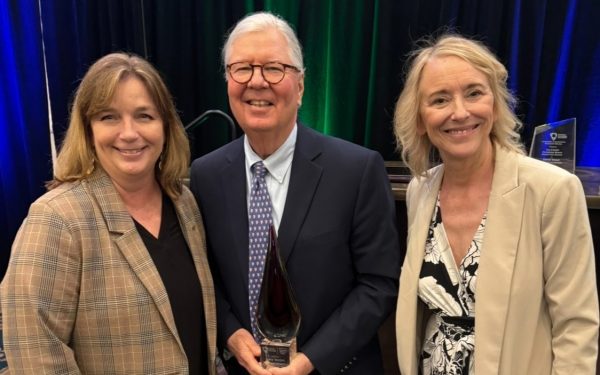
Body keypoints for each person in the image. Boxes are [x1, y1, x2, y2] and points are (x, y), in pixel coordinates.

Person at [189, 11, 400, 375]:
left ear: (300, 87)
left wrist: (310, 361)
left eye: (274, 68)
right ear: (227, 82)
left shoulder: (357, 170)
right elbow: (204, 275)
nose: (257, 82)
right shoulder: (205, 175)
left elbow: (378, 284)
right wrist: (230, 332)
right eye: (242, 68)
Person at [393, 34, 599, 374]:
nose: (460, 112)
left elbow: (576, 327)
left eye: (474, 93)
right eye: (440, 99)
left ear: (495, 102)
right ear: (419, 118)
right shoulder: (421, 189)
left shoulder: (553, 191)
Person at [0, 53, 218, 374]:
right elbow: (34, 353)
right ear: (87, 130)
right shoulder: (57, 217)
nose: (129, 133)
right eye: (109, 117)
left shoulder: (184, 203)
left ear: (166, 126)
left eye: (144, 116)